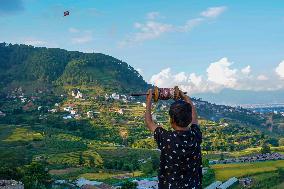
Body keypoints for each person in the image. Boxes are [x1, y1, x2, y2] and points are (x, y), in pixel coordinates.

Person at [145, 89, 202, 189]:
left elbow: (149, 123)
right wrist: (186, 97)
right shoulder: (195, 135)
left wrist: (149, 100)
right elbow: (195, 119)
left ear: (171, 120)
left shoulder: (167, 138)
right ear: (189, 120)